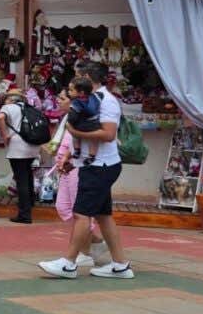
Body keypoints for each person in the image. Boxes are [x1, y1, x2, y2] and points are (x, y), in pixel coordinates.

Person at [40, 62, 133, 279]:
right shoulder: (89, 100)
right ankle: (120, 265)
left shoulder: (105, 101)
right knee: (103, 216)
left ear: (88, 78)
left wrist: (73, 131)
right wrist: (71, 157)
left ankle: (69, 264)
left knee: (81, 214)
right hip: (93, 165)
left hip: (99, 167)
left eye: (78, 76)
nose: (74, 82)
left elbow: (109, 134)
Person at [52, 128, 110, 266]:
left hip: (78, 166)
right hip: (66, 165)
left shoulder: (84, 112)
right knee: (63, 207)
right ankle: (95, 242)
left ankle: (84, 253)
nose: (59, 104)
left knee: (81, 211)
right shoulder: (69, 117)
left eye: (63, 103)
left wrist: (71, 158)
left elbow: (87, 140)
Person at [0, 88, 39, 223]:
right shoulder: (29, 107)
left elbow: (0, 117)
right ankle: (31, 203)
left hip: (17, 148)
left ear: (11, 99)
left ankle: (24, 215)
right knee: (28, 175)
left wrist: (4, 135)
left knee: (21, 180)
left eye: (6, 98)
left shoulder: (8, 107)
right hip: (32, 147)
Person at [66, 76, 101, 164]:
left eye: (71, 90)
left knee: (75, 136)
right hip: (95, 124)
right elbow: (101, 96)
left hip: (81, 125)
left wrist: (69, 123)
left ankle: (77, 150)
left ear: (81, 93)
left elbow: (73, 117)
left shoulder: (76, 102)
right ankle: (92, 156)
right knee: (94, 140)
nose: (68, 92)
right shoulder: (94, 97)